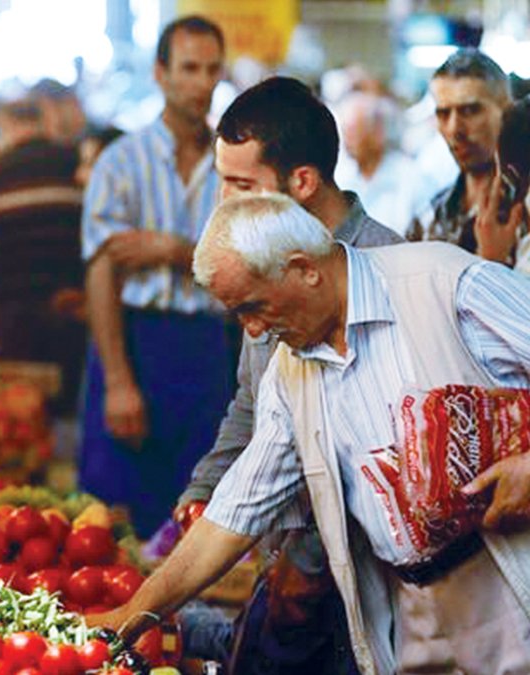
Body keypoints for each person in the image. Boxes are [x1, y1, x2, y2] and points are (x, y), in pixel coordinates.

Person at [89, 192, 530, 674]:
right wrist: (133, 615)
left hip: (508, 581)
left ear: (305, 269)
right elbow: (237, 510)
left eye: (253, 306)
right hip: (413, 609)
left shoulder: (443, 282)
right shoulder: (290, 370)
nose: (253, 330)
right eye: (238, 315)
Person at [172, 76, 405, 673]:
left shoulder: (386, 269)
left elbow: (381, 454)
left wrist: (308, 559)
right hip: (287, 565)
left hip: (368, 588)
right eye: (222, 181)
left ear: (302, 181)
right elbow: (251, 402)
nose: (224, 202)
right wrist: (207, 488)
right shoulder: (258, 257)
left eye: (242, 185)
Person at [80, 15, 234, 536]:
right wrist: (118, 381)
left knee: (198, 512)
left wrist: (172, 250)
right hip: (134, 341)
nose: (202, 83)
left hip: (209, 347)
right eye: (189, 68)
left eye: (212, 69)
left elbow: (245, 267)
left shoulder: (232, 166)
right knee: (116, 519)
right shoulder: (120, 163)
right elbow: (102, 273)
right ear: (160, 73)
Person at [0, 99, 87, 415]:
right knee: (66, 409)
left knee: (18, 414)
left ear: (7, 124)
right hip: (69, 308)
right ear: (43, 121)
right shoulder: (73, 162)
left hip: (13, 314)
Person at [408, 48, 529, 266]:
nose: (454, 129)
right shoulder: (429, 217)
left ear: (507, 112)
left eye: (470, 111)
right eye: (443, 114)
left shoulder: (524, 210)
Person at [334, 90, 431, 236]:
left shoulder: (410, 177)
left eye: (354, 131)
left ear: (378, 132)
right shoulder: (343, 177)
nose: (348, 141)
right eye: (345, 132)